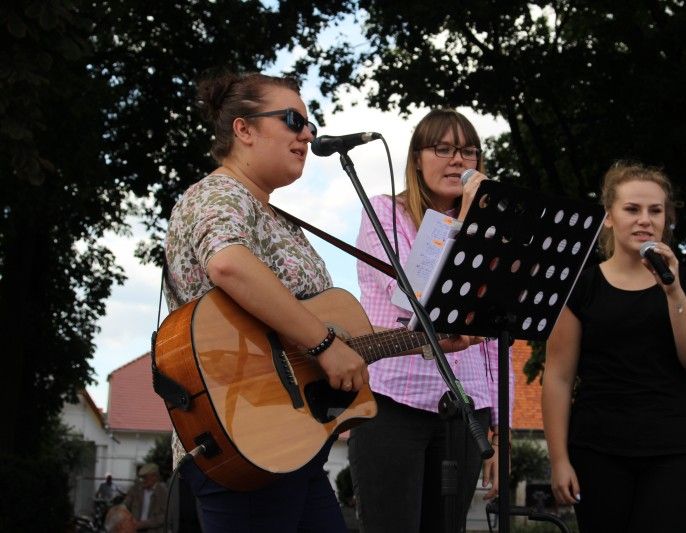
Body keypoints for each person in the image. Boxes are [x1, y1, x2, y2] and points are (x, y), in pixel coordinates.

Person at [164, 72, 473, 532]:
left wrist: (426, 340)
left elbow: (323, 338)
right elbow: (227, 263)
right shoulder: (219, 193)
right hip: (244, 440)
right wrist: (325, 345)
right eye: (292, 120)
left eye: (309, 124)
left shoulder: (274, 216)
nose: (307, 134)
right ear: (243, 129)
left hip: (289, 444)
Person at [348, 108, 513, 533]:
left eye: (468, 151)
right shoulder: (385, 213)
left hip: (466, 405)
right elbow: (414, 294)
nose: (458, 160)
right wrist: (466, 220)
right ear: (417, 159)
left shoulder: (492, 233)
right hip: (392, 403)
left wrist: (501, 429)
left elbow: (496, 334)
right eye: (443, 148)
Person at [541, 161, 686, 532]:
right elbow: (557, 377)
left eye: (655, 211)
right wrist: (558, 459)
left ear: (666, 219)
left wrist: (673, 291)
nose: (644, 220)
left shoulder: (685, 283)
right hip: (598, 449)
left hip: (670, 450)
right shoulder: (582, 287)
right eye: (632, 209)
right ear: (609, 217)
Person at [123, 463, 168, 532]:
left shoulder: (163, 492)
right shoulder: (135, 489)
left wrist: (143, 524)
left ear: (154, 477)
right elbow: (125, 506)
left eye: (145, 477)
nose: (142, 480)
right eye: (141, 478)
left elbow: (165, 516)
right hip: (135, 529)